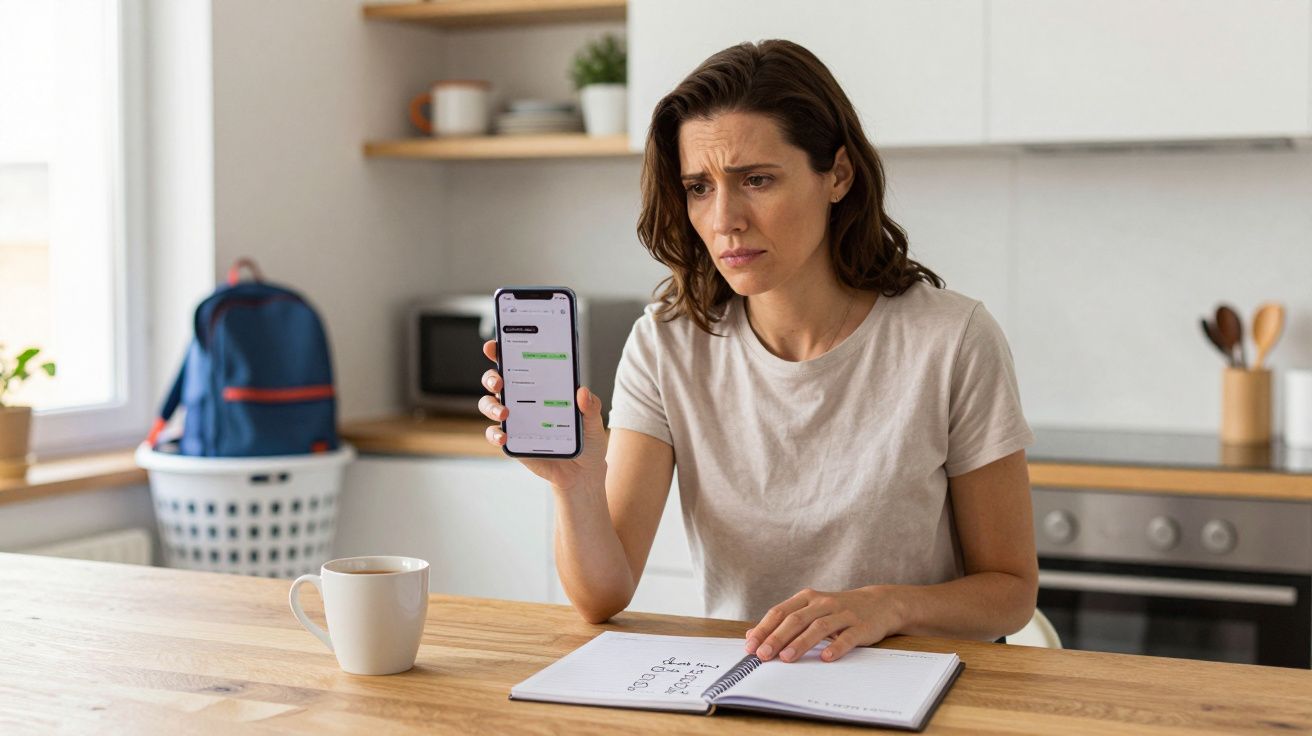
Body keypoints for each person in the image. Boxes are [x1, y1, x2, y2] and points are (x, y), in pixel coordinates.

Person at [478, 39, 1037, 664]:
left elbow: (1010, 592)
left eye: (757, 180)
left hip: (923, 685)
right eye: (698, 186)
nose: (724, 220)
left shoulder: (952, 340)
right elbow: (600, 598)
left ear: (838, 176)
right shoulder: (666, 345)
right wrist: (575, 485)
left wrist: (889, 604)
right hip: (747, 684)